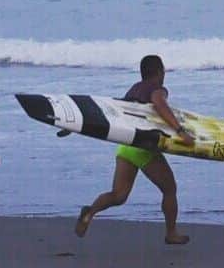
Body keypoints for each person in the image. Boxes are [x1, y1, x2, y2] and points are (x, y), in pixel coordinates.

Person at [75, 55, 195, 244]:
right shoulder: (157, 89)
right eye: (163, 70)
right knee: (170, 189)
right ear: (159, 72)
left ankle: (90, 212)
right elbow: (160, 104)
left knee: (118, 195)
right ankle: (171, 233)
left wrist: (77, 125)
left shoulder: (134, 89)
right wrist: (180, 131)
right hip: (143, 146)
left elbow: (113, 112)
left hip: (125, 145)